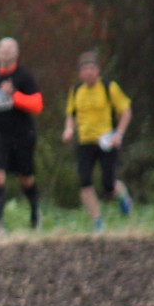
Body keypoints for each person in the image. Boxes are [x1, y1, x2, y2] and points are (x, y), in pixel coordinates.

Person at [61, 50, 133, 231]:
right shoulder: (76, 91)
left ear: (98, 70)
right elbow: (71, 115)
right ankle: (97, 220)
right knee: (84, 181)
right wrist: (69, 130)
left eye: (92, 68)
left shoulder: (109, 87)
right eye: (85, 69)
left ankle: (122, 195)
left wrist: (119, 134)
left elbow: (126, 111)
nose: (89, 73)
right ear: (80, 73)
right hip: (85, 142)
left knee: (109, 184)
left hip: (106, 141)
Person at [0, 35, 43, 233]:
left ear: (16, 53)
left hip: (22, 134)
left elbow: (37, 105)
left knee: (26, 178)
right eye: (2, 49)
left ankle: (35, 214)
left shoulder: (24, 76)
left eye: (9, 49)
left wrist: (14, 95)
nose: (5, 53)